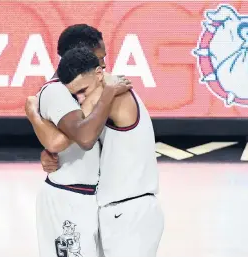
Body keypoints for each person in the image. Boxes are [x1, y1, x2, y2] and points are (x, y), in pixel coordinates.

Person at [39, 46, 164, 257]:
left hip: (129, 211)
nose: (80, 99)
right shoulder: (108, 92)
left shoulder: (110, 94)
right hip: (123, 210)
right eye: (75, 94)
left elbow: (74, 139)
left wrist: (33, 112)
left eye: (83, 91)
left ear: (98, 74)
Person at [25, 24, 131, 257]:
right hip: (68, 198)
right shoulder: (56, 91)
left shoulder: (84, 90)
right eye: (99, 58)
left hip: (89, 197)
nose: (103, 65)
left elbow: (58, 141)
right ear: (79, 53)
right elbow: (79, 136)